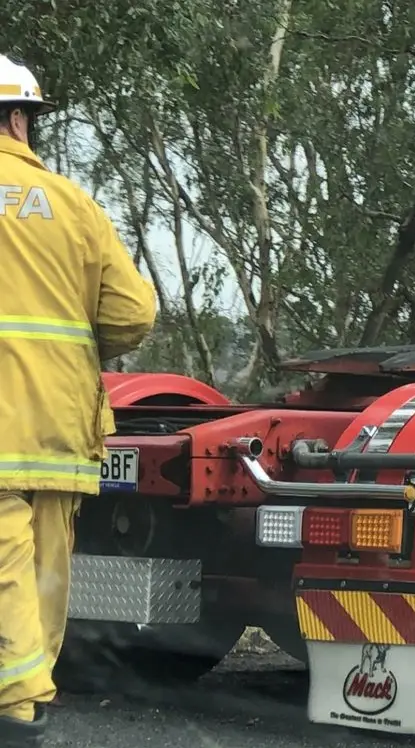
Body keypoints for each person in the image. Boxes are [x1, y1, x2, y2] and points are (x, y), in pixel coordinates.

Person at [0, 57, 158, 747]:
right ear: (19, 118)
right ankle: (30, 691)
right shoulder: (74, 204)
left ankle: (18, 702)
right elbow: (133, 314)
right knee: (43, 564)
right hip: (60, 425)